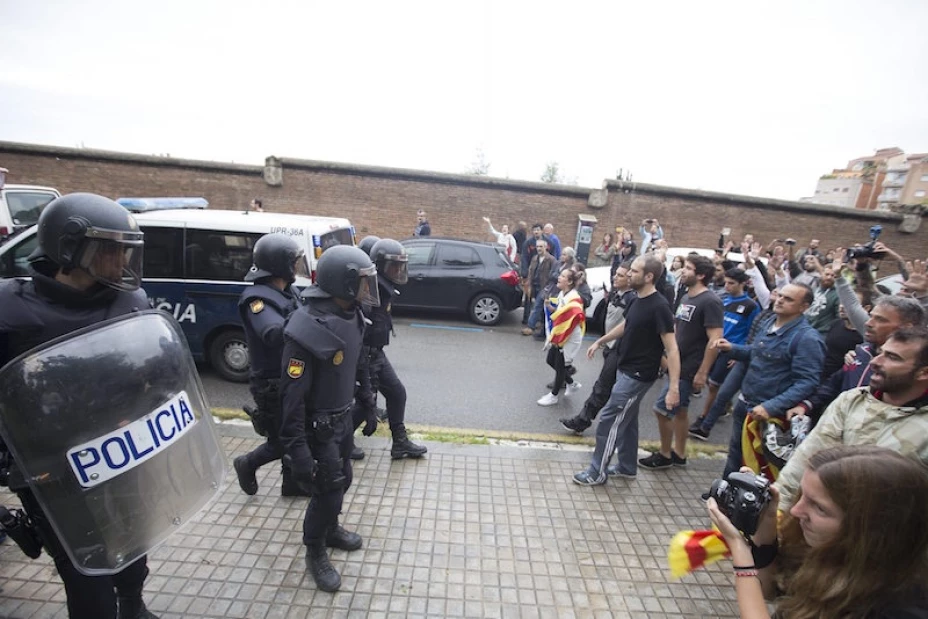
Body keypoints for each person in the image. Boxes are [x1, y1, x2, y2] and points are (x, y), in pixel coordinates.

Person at [0, 193, 157, 618]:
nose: (122, 259)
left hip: (121, 453)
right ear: (70, 249)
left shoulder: (130, 302)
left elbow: (151, 373)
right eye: (112, 249)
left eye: (127, 249)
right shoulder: (10, 313)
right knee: (84, 570)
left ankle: (132, 604)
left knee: (133, 541)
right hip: (53, 469)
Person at [708, 446, 928, 619]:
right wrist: (764, 527)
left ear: (872, 529)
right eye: (801, 494)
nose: (795, 510)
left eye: (819, 507)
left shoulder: (899, 608)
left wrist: (740, 552)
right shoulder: (829, 549)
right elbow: (768, 590)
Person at [279, 245, 380, 592]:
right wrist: (298, 452)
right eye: (363, 283)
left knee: (344, 479)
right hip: (317, 427)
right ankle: (315, 549)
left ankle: (330, 527)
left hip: (342, 418)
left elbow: (359, 361)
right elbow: (291, 398)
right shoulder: (306, 327)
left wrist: (367, 402)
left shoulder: (352, 314)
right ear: (345, 283)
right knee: (328, 490)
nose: (368, 290)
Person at [777, 326, 928, 510]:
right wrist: (776, 512)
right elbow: (805, 461)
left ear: (924, 373)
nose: (875, 362)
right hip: (814, 525)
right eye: (880, 352)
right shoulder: (851, 400)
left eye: (893, 358)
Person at [572, 255, 680, 485]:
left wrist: (674, 387)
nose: (629, 274)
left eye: (634, 271)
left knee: (610, 419)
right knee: (628, 420)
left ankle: (596, 472)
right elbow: (627, 324)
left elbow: (672, 349)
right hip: (625, 368)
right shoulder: (635, 299)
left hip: (638, 375)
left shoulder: (660, 306)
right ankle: (627, 466)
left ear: (649, 276)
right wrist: (601, 340)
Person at [714, 283, 825, 478]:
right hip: (745, 403)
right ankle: (726, 495)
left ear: (804, 307)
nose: (780, 300)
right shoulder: (769, 322)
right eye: (780, 295)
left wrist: (771, 407)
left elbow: (807, 382)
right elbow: (755, 352)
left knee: (762, 466)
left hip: (768, 414)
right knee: (736, 454)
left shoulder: (807, 338)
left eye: (788, 299)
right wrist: (732, 348)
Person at [232, 234, 308, 497]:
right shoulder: (257, 299)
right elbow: (272, 333)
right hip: (271, 382)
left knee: (296, 433)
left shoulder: (288, 291)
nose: (298, 267)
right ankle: (247, 463)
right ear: (281, 265)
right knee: (282, 441)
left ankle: (293, 483)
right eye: (294, 262)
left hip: (291, 375)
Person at [641, 255, 724, 469]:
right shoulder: (687, 296)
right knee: (681, 410)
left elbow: (715, 339)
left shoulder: (710, 301)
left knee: (661, 409)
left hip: (690, 367)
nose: (683, 271)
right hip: (677, 362)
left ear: (701, 275)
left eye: (688, 268)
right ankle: (679, 452)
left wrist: (703, 372)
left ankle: (665, 454)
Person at [351, 238, 428, 459]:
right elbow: (360, 325)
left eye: (400, 265)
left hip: (377, 353)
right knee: (366, 404)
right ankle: (340, 442)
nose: (397, 270)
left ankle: (400, 442)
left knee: (396, 393)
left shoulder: (383, 287)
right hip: (365, 355)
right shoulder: (370, 290)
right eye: (393, 265)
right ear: (381, 265)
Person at [559, 263, 635, 434]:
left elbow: (626, 326)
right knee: (608, 388)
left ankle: (583, 420)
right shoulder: (617, 294)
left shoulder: (632, 299)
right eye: (616, 274)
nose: (616, 277)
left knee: (602, 387)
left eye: (621, 276)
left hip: (619, 349)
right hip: (610, 347)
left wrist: (601, 341)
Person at [688, 268, 760, 440]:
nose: (727, 286)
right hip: (714, 346)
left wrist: (739, 353)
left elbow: (753, 332)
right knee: (708, 380)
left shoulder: (751, 306)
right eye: (726, 282)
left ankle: (704, 418)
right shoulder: (722, 300)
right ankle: (723, 406)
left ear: (743, 284)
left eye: (732, 283)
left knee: (714, 385)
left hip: (730, 350)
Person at [536, 268, 586, 406]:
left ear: (569, 281)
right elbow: (558, 312)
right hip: (561, 334)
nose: (559, 277)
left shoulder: (574, 298)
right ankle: (571, 383)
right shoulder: (562, 294)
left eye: (562, 276)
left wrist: (556, 338)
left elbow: (571, 319)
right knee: (550, 360)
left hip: (568, 337)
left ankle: (554, 395)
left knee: (560, 365)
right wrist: (548, 306)